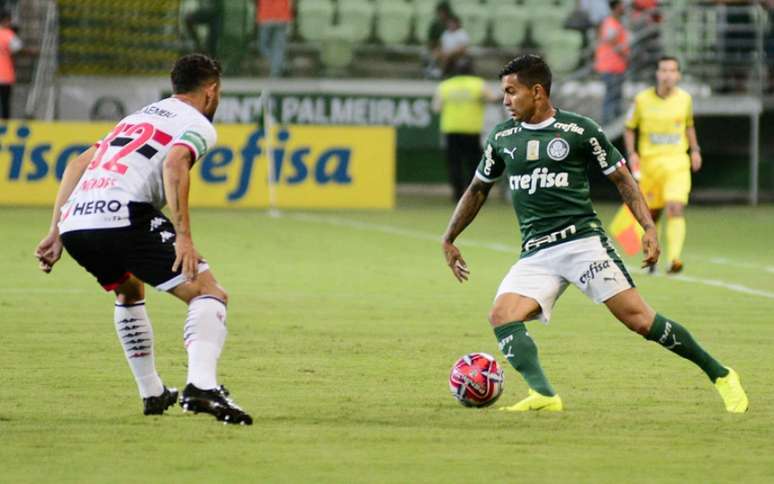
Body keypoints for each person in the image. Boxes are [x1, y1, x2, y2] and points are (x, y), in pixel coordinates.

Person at [441, 54, 748, 413]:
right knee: (502, 315)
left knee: (640, 321)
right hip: (537, 252)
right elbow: (478, 189)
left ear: (537, 92)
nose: (505, 100)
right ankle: (544, 395)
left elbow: (623, 180)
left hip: (582, 244)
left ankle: (721, 374)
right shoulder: (502, 137)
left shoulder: (580, 130)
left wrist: (648, 226)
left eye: (512, 92)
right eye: (504, 93)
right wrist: (449, 238)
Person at [34, 54, 253, 425]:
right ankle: (201, 386)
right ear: (211, 90)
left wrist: (55, 230)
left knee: (129, 289)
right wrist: (183, 236)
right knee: (207, 292)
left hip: (76, 222)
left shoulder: (138, 116)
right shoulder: (196, 122)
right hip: (123, 214)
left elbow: (77, 164)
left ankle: (152, 391)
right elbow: (174, 163)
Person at [624, 56, 701, 274]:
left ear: (678, 75)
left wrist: (695, 149)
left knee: (676, 207)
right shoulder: (641, 100)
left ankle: (675, 259)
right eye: (664, 70)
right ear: (657, 74)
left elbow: (689, 125)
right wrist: (632, 154)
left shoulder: (685, 99)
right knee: (652, 214)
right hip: (650, 165)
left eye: (672, 70)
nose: (668, 75)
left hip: (677, 162)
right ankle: (652, 258)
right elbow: (629, 127)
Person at [433, 56, 497, 201]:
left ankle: (457, 194)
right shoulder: (479, 84)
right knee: (473, 164)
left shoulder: (445, 86)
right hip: (471, 130)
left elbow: (437, 108)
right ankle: (472, 194)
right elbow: (493, 99)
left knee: (454, 163)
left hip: (451, 129)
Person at [594, 0, 629, 125]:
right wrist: (624, 53)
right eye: (621, 6)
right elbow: (610, 40)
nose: (624, 8)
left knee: (616, 97)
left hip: (618, 66)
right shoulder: (610, 23)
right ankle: (608, 123)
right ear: (616, 7)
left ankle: (615, 122)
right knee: (611, 97)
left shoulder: (616, 22)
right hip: (610, 67)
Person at [257, 0, 293, 78]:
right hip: (280, 16)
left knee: (264, 46)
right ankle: (279, 64)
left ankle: (276, 70)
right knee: (277, 47)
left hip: (267, 16)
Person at [0, 9, 22, 119]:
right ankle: (4, 128)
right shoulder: (9, 35)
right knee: (5, 102)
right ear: (5, 21)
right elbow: (18, 48)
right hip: (5, 75)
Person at [424, 1, 453, 79]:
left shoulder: (451, 24)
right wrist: (435, 47)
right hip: (437, 47)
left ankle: (440, 72)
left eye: (444, 12)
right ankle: (432, 71)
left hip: (450, 48)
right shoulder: (435, 24)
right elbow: (431, 40)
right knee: (429, 54)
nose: (442, 14)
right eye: (440, 12)